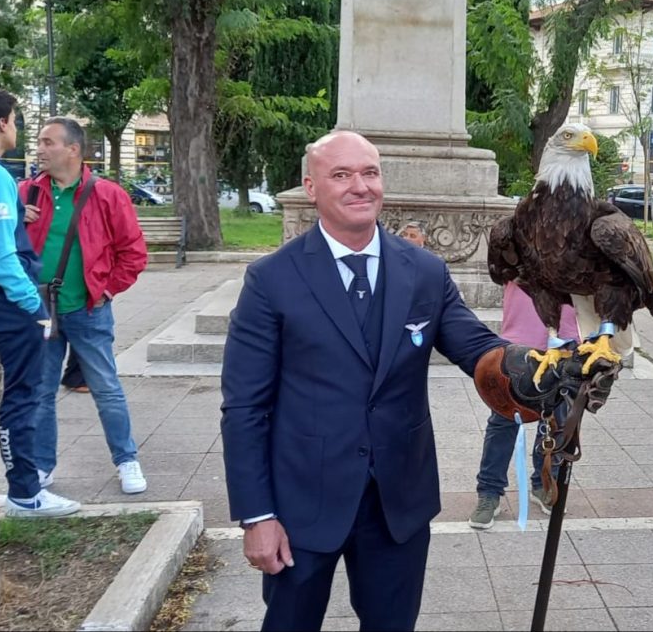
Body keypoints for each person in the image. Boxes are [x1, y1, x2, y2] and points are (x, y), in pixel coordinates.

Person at [220, 130, 612, 631]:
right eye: (341, 175)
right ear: (311, 186)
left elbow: (478, 348)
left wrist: (543, 368)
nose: (360, 186)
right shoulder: (271, 280)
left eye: (369, 173)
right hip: (302, 501)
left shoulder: (423, 271)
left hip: (398, 503)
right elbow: (245, 409)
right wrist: (257, 515)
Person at [22, 117, 149, 495]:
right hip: (39, 309)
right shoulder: (26, 192)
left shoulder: (106, 194)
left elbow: (133, 252)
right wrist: (15, 220)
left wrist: (106, 290)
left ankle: (126, 460)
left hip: (88, 308)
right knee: (42, 391)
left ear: (72, 149)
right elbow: (8, 247)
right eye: (39, 142)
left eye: (48, 142)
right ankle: (43, 467)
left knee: (106, 387)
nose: (39, 149)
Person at [0, 88, 81, 518]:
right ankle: (26, 491)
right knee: (20, 397)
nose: (18, 129)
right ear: (2, 123)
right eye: (17, 121)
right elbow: (0, 257)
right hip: (11, 305)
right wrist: (34, 306)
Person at [468, 282, 578, 529]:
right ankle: (489, 492)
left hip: (566, 336)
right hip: (521, 338)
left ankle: (544, 483)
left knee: (558, 420)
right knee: (504, 418)